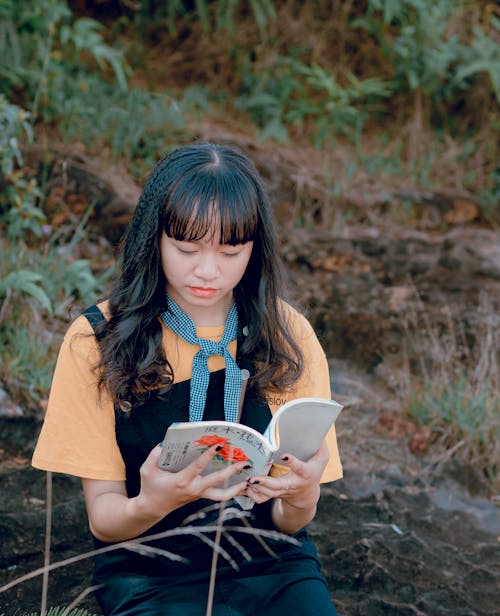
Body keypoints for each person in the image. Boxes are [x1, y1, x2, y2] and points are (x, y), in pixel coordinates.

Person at [32, 142, 343, 615]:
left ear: (254, 249)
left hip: (271, 565)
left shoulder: (287, 336)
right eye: (186, 248)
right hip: (148, 571)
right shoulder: (97, 341)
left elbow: (289, 521)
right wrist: (152, 503)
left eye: (230, 251)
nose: (207, 271)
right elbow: (105, 521)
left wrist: (302, 493)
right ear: (153, 238)